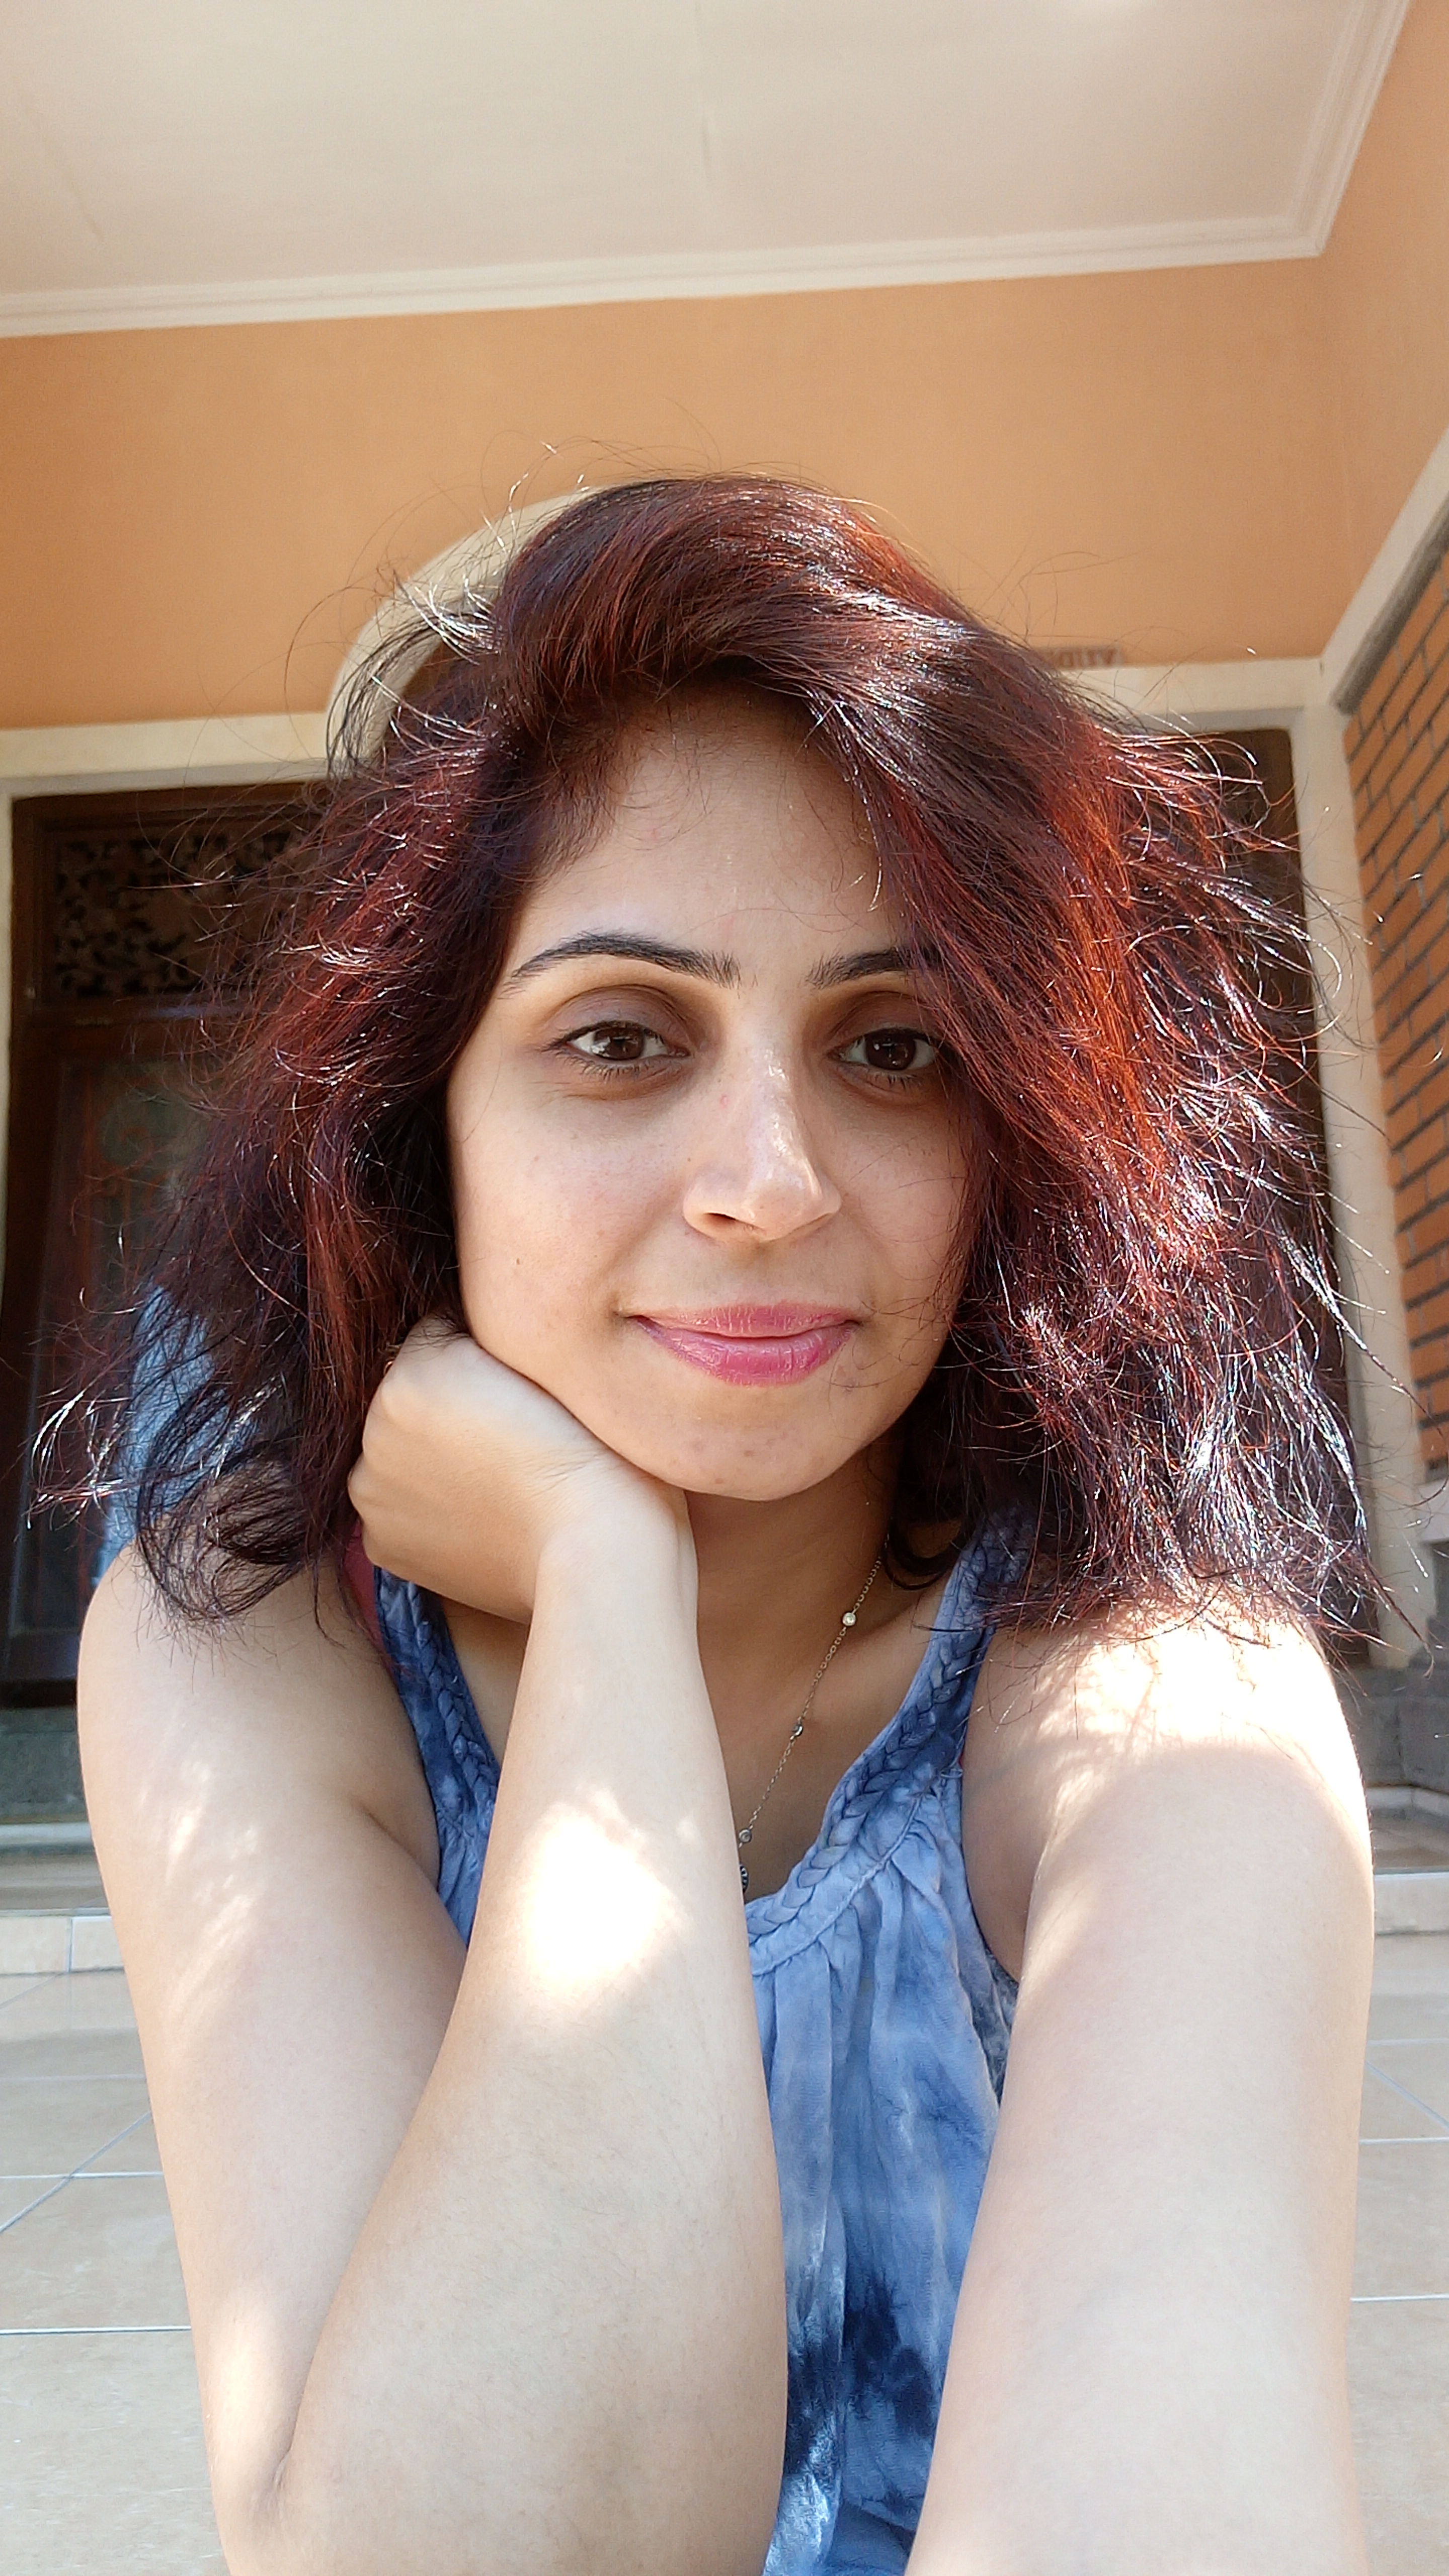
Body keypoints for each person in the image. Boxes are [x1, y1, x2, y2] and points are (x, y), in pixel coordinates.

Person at [77, 475, 1375, 2576]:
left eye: (895, 1046)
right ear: (419, 1127)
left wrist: (588, 1565)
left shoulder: (1163, 1687)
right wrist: (607, 1597)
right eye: (619, 1038)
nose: (768, 1181)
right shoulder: (253, 1644)